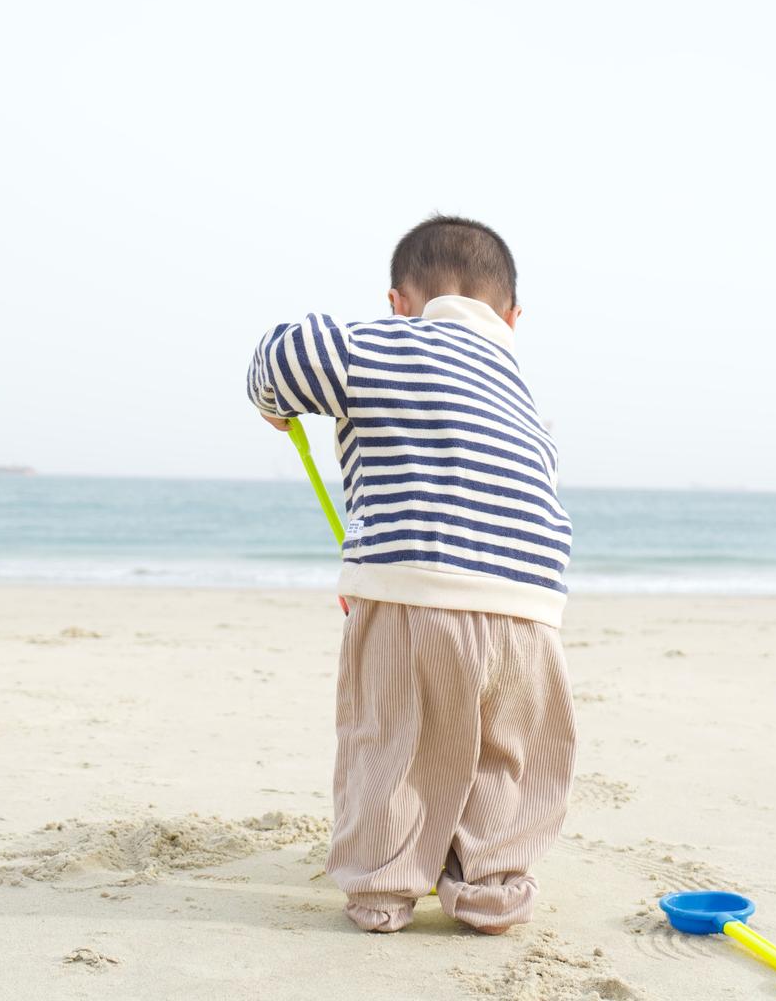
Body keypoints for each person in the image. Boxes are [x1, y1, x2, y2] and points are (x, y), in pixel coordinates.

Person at [246, 214, 575, 934]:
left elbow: (284, 349)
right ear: (512, 317)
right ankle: (491, 885)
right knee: (504, 753)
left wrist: (274, 404)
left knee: (391, 738)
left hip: (413, 592)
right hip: (530, 606)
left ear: (398, 302)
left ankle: (384, 886)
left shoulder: (386, 340)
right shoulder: (523, 400)